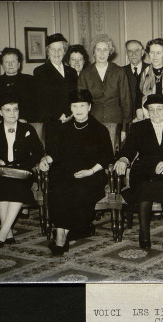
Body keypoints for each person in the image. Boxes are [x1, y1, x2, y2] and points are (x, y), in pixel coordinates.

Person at [39, 89, 113, 256]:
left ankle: (66, 234)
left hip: (91, 174)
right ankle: (62, 234)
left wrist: (90, 171)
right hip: (66, 172)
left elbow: (107, 157)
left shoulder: (99, 129)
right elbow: (55, 153)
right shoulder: (63, 128)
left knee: (79, 190)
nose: (78, 109)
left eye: (82, 105)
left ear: (89, 107)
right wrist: (46, 160)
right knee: (58, 188)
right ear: (70, 108)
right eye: (75, 106)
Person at [114, 94, 163, 250]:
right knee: (144, 186)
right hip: (144, 169)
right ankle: (144, 233)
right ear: (146, 111)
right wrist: (123, 160)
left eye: (159, 109)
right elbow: (129, 148)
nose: (155, 113)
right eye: (151, 110)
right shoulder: (138, 127)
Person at [0, 95, 45, 246]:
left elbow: (38, 152)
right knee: (0, 187)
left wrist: (23, 164)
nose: (12, 113)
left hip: (21, 172)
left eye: (15, 109)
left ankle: (3, 232)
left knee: (17, 186)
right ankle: (7, 231)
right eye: (7, 110)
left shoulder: (27, 129)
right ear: (0, 112)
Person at [78, 34, 132, 150]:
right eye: (98, 50)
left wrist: (124, 128)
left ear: (110, 52)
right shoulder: (85, 73)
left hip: (116, 121)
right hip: (93, 122)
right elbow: (81, 103)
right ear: (93, 52)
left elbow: (126, 102)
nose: (102, 54)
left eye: (105, 50)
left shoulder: (119, 71)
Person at [33, 33, 78, 129]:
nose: (56, 53)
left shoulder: (72, 71)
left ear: (64, 51)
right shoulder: (40, 71)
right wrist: (58, 115)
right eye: (53, 49)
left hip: (72, 120)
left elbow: (75, 95)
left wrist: (73, 113)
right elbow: (42, 99)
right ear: (48, 51)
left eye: (60, 49)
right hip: (52, 122)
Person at [0, 48, 37, 124]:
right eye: (7, 62)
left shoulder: (30, 80)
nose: (10, 64)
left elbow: (36, 105)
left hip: (24, 123)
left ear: (19, 64)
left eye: (13, 61)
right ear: (2, 65)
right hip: (1, 125)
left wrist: (25, 119)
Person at [122, 40, 149, 118]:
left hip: (148, 117)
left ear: (142, 52)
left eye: (137, 50)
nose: (133, 54)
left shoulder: (150, 69)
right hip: (128, 117)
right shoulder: (121, 71)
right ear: (127, 54)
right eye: (130, 51)